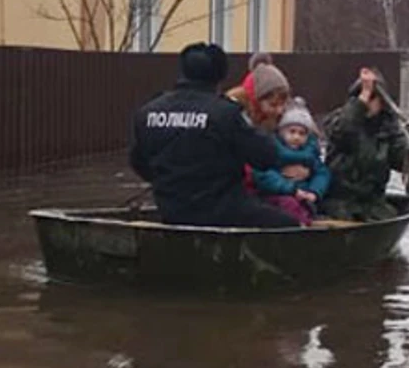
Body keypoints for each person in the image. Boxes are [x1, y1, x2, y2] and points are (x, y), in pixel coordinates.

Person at [128, 42, 299, 228]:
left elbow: (139, 162)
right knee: (288, 224)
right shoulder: (224, 113)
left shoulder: (148, 112)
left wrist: (170, 183)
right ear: (220, 75)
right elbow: (266, 156)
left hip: (171, 209)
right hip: (223, 211)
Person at [321, 68, 409, 221]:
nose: (368, 102)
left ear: (382, 102)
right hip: (339, 202)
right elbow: (343, 131)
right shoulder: (338, 120)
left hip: (373, 203)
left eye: (373, 98)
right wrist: (364, 95)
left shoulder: (389, 128)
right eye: (363, 97)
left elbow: (403, 159)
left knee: (386, 215)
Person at [252, 97, 331, 226]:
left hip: (305, 195)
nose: (296, 137)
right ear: (282, 131)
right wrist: (291, 188)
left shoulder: (310, 153)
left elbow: (322, 173)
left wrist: (314, 192)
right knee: (288, 205)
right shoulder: (273, 150)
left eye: (302, 133)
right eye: (292, 132)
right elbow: (265, 174)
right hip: (281, 194)